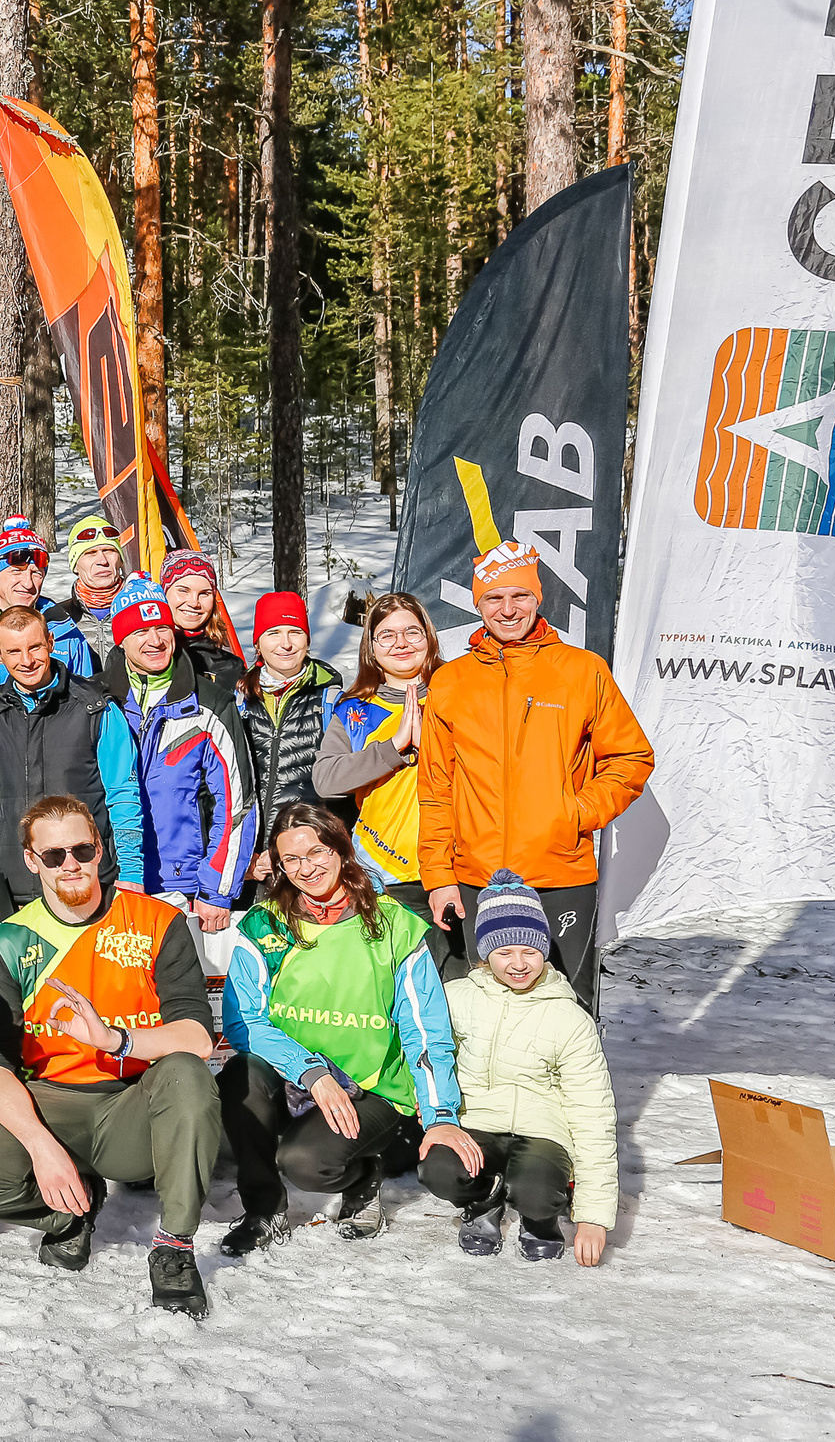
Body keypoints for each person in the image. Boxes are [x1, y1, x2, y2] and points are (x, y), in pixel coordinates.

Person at [0, 796, 222, 1317]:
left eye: (82, 849)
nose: (70, 863)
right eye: (53, 855)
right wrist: (41, 1148)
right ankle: (70, 1214)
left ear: (100, 850)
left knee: (186, 1071)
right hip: (52, 1100)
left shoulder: (158, 922)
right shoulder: (11, 940)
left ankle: (176, 1247)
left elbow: (197, 1036)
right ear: (31, 861)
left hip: (136, 1102)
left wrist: (114, 1040)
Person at [218, 802, 472, 1254]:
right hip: (298, 1077)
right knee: (240, 1075)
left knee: (304, 1164)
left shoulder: (393, 923)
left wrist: (441, 1117)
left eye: (315, 852)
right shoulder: (265, 924)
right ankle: (264, 1210)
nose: (305, 868)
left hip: (370, 1085)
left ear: (340, 848)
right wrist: (311, 1072)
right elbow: (243, 1022)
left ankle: (361, 1175)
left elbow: (425, 1028)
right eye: (290, 860)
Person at [417, 540, 654, 1012]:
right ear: (477, 603)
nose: (507, 610)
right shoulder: (450, 682)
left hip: (559, 873)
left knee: (567, 1005)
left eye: (519, 596)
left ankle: (573, 1088)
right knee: (484, 1008)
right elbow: (436, 790)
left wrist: (574, 812)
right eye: (494, 598)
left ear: (538, 598)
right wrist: (439, 874)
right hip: (475, 876)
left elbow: (630, 758)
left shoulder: (583, 671)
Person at [420, 873, 617, 1264]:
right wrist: (439, 1122)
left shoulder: (569, 1017)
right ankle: (483, 1202)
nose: (518, 964)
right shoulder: (455, 999)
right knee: (440, 1166)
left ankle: (539, 1218)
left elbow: (592, 1112)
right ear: (485, 953)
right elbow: (427, 1060)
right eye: (504, 952)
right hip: (474, 1121)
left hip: (542, 1130)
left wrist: (594, 1216)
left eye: (529, 951)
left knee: (537, 1191)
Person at [100, 576, 257, 958]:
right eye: (140, 631)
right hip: (109, 882)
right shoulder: (95, 701)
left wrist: (217, 889)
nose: (154, 641)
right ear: (121, 639)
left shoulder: (209, 703)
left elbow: (237, 802)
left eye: (161, 628)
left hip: (183, 886)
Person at [0, 607, 145, 905]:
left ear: (51, 642)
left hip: (86, 875)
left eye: (35, 647)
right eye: (13, 651)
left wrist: (132, 871)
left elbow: (123, 793)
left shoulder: (95, 708)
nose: (27, 661)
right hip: (15, 881)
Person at [314, 591, 443, 934]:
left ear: (428, 637)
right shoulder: (356, 708)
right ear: (371, 647)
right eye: (386, 634)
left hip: (452, 870)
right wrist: (394, 748)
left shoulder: (458, 694)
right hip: (381, 873)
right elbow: (326, 780)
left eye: (411, 632)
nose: (401, 643)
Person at [0, 516, 92, 705]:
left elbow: (88, 705)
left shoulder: (66, 633)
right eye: (16, 571)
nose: (28, 583)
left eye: (37, 573)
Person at [240, 591, 344, 857]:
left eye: (295, 632)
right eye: (273, 633)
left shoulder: (331, 700)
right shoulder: (238, 700)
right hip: (248, 855)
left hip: (309, 854)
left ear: (307, 641)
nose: (285, 643)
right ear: (258, 643)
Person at [158, 550, 243, 695]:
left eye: (204, 594)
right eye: (183, 591)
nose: (194, 603)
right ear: (164, 593)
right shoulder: (146, 652)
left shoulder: (231, 665)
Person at [60, 516, 128, 662]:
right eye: (90, 553)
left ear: (120, 560)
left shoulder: (141, 610)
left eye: (109, 550)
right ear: (75, 565)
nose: (102, 561)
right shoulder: (59, 618)